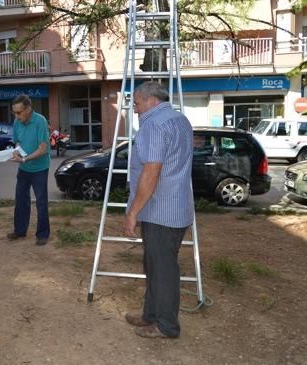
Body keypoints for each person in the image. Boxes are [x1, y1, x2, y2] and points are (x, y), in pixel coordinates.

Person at [123, 82, 194, 339]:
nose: (136, 110)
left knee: (162, 269)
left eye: (137, 104)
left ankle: (166, 325)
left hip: (160, 211)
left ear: (150, 100)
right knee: (155, 265)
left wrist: (132, 212)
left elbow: (151, 172)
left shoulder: (153, 124)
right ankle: (150, 315)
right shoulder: (180, 119)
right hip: (175, 209)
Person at [7, 94, 51, 246]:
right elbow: (17, 141)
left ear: (28, 109)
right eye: (14, 113)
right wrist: (16, 151)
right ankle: (20, 230)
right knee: (20, 199)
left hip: (40, 168)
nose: (16, 116)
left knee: (41, 201)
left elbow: (43, 149)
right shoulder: (17, 122)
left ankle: (42, 234)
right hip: (24, 168)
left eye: (19, 112)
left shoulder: (40, 121)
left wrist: (25, 159)